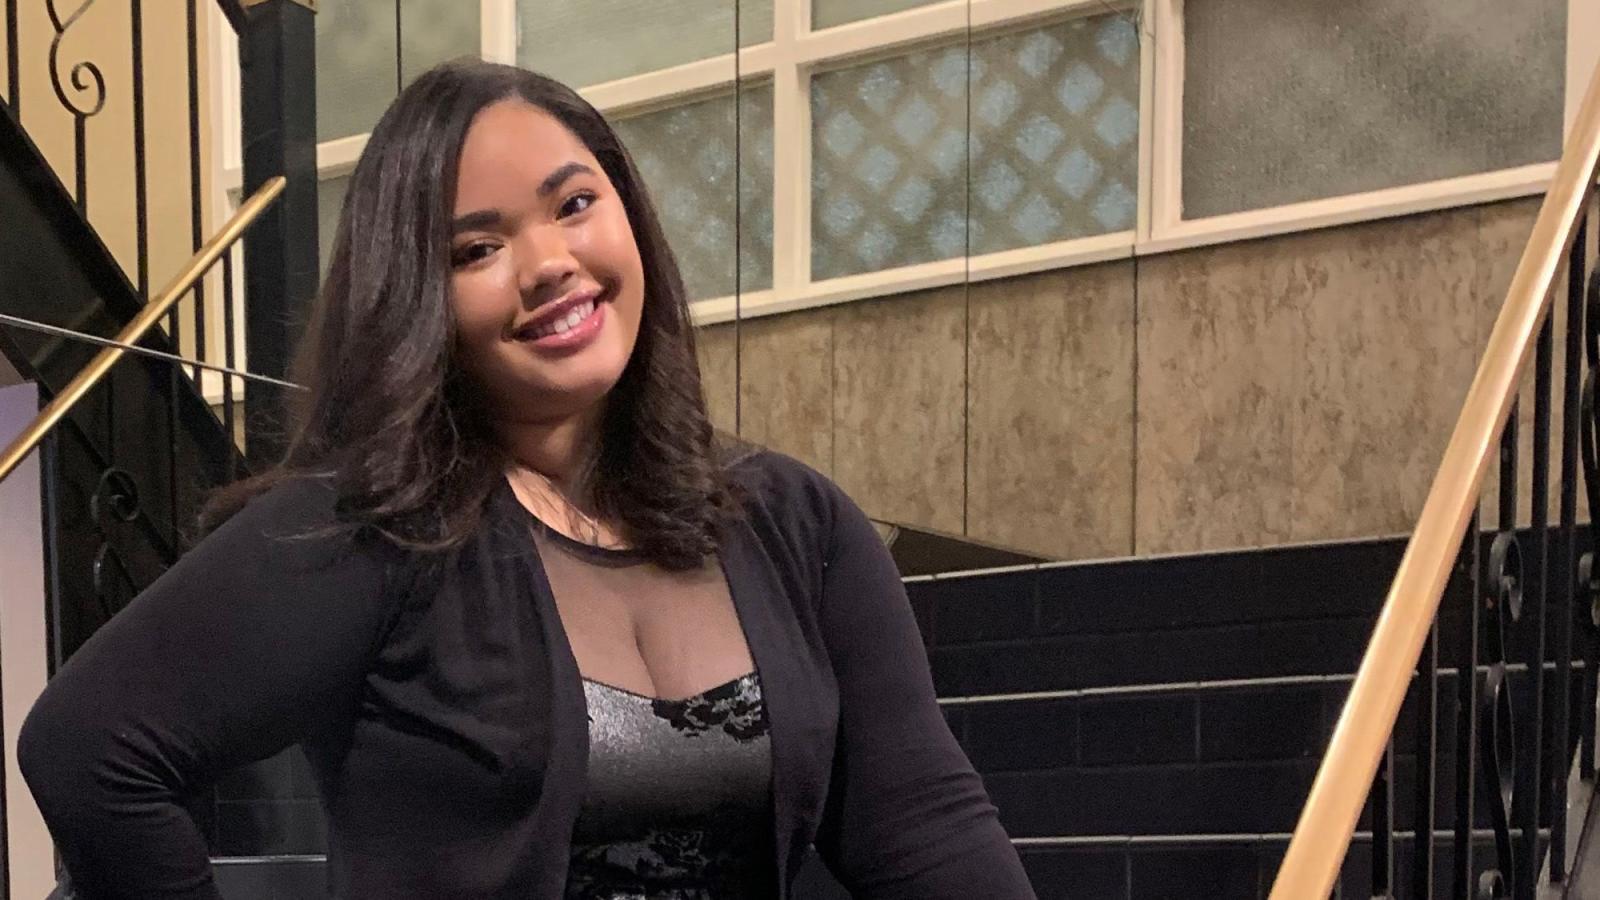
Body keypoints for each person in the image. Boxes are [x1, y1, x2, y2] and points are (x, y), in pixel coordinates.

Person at [17, 59, 1035, 899]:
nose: (548, 262)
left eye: (575, 204)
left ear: (627, 214)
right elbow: (90, 752)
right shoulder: (369, 533)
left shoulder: (795, 521)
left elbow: (923, 828)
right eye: (477, 248)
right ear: (418, 302)